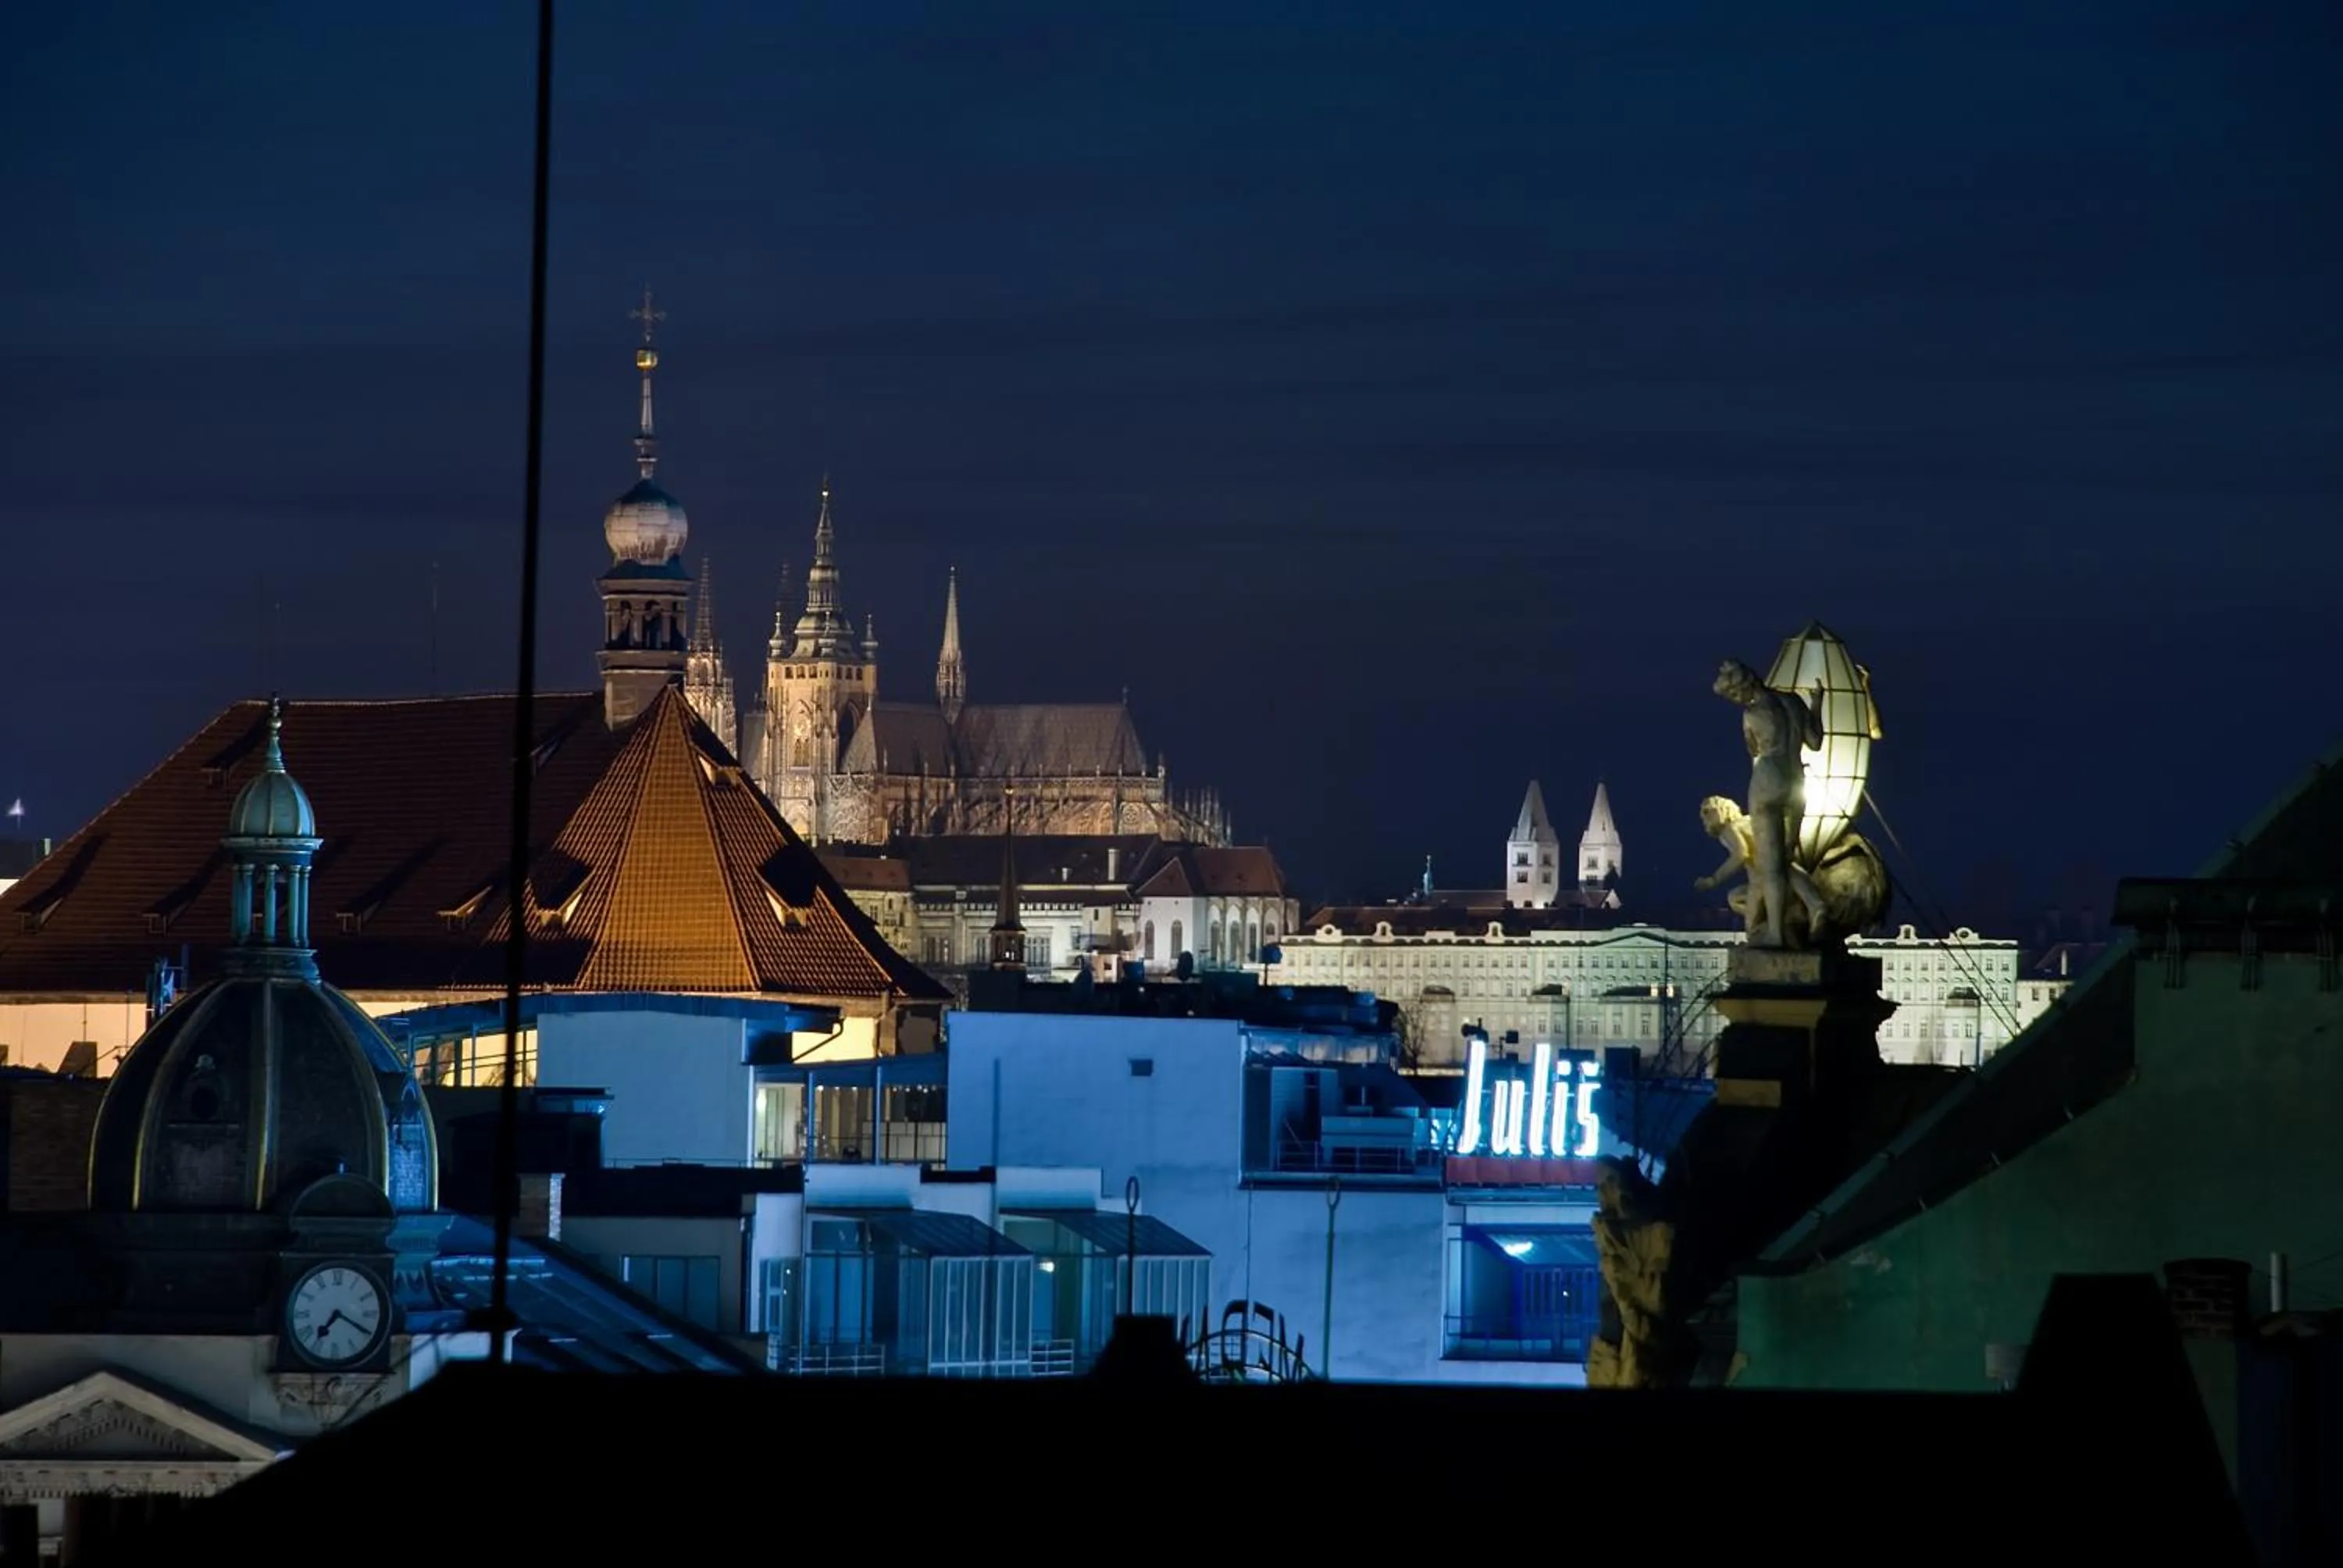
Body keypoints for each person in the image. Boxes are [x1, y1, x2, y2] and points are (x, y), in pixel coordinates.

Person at [1711, 659, 1822, 947]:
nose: (1737, 701)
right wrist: (1816, 705)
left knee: (1770, 866)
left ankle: (1775, 933)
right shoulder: (1792, 702)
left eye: (1735, 695)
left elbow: (1754, 751)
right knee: (1788, 857)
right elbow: (1815, 741)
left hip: (1767, 782)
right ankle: (1814, 905)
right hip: (1797, 783)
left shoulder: (1750, 714)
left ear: (1743, 686)